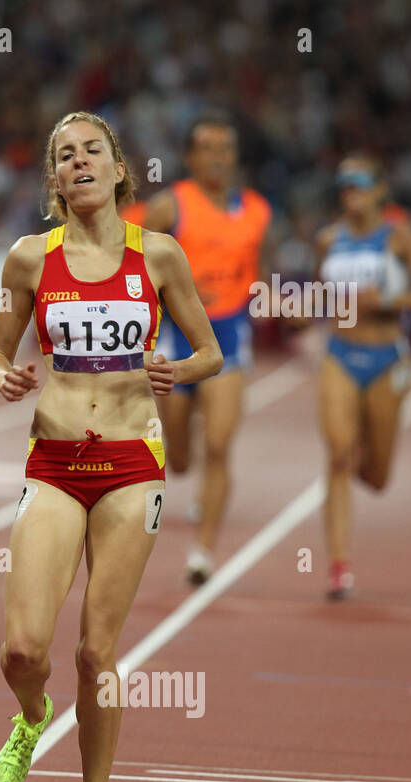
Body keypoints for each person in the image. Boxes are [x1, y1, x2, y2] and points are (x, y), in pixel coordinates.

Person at [0, 112, 221, 782]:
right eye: (64, 155)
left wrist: (175, 370)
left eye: (92, 151)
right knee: (23, 648)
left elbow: (210, 352)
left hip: (129, 467)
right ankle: (31, 715)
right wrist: (4, 374)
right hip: (54, 464)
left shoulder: (160, 257)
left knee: (96, 651)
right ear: (53, 179)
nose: (78, 162)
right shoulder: (28, 259)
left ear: (120, 170)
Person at [141, 114, 272, 585]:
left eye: (226, 148)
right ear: (191, 157)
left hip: (231, 336)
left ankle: (203, 551)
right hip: (178, 338)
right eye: (207, 147)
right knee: (177, 461)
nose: (217, 156)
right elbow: (135, 275)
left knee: (219, 446)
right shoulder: (167, 207)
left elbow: (260, 271)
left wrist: (269, 297)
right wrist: (181, 292)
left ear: (235, 157)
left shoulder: (257, 211)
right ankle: (183, 441)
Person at [315, 155, 411, 599]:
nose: (350, 191)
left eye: (359, 183)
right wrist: (294, 309)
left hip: (386, 358)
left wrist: (388, 300)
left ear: (380, 190)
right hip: (339, 354)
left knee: (377, 476)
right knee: (337, 455)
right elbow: (318, 297)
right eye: (344, 184)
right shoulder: (329, 238)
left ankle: (366, 453)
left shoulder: (399, 237)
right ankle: (337, 565)